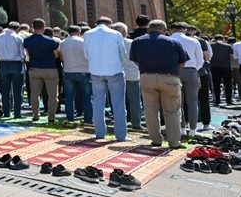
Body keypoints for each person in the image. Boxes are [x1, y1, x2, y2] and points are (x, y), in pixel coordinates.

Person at [129, 20, 185, 149]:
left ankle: (155, 139)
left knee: (150, 110)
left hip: (147, 76)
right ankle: (174, 141)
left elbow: (136, 61)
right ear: (164, 29)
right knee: (172, 111)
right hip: (169, 77)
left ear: (148, 29)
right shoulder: (173, 42)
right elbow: (182, 63)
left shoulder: (137, 41)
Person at [84, 17, 128, 141]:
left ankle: (99, 133)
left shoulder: (88, 34)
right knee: (118, 103)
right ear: (110, 24)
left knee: (98, 103)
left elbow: (86, 54)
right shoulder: (115, 34)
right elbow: (123, 54)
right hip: (114, 70)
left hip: (96, 71)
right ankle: (121, 135)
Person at [169, 22, 206, 137]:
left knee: (176, 102)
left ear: (171, 29)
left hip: (174, 72)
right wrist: (194, 68)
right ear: (185, 30)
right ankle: (193, 130)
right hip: (191, 71)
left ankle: (181, 128)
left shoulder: (167, 40)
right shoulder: (194, 41)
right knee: (193, 102)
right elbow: (201, 60)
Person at [22, 19, 60, 123]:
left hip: (34, 68)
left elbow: (28, 54)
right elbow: (56, 55)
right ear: (44, 27)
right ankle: (51, 116)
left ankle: (35, 115)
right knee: (52, 95)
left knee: (35, 94)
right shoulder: (51, 41)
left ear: (32, 27)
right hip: (50, 69)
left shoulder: (27, 40)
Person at [0, 21, 26, 118]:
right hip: (16, 63)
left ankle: (6, 112)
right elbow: (22, 53)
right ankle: (17, 112)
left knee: (5, 89)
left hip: (3, 63)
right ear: (17, 29)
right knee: (17, 90)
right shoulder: (18, 38)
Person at [209, 35, 234, 106]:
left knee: (216, 84)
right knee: (228, 84)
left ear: (214, 39)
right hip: (226, 66)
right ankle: (229, 100)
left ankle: (217, 100)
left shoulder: (210, 46)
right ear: (223, 39)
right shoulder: (228, 46)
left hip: (214, 66)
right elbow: (231, 57)